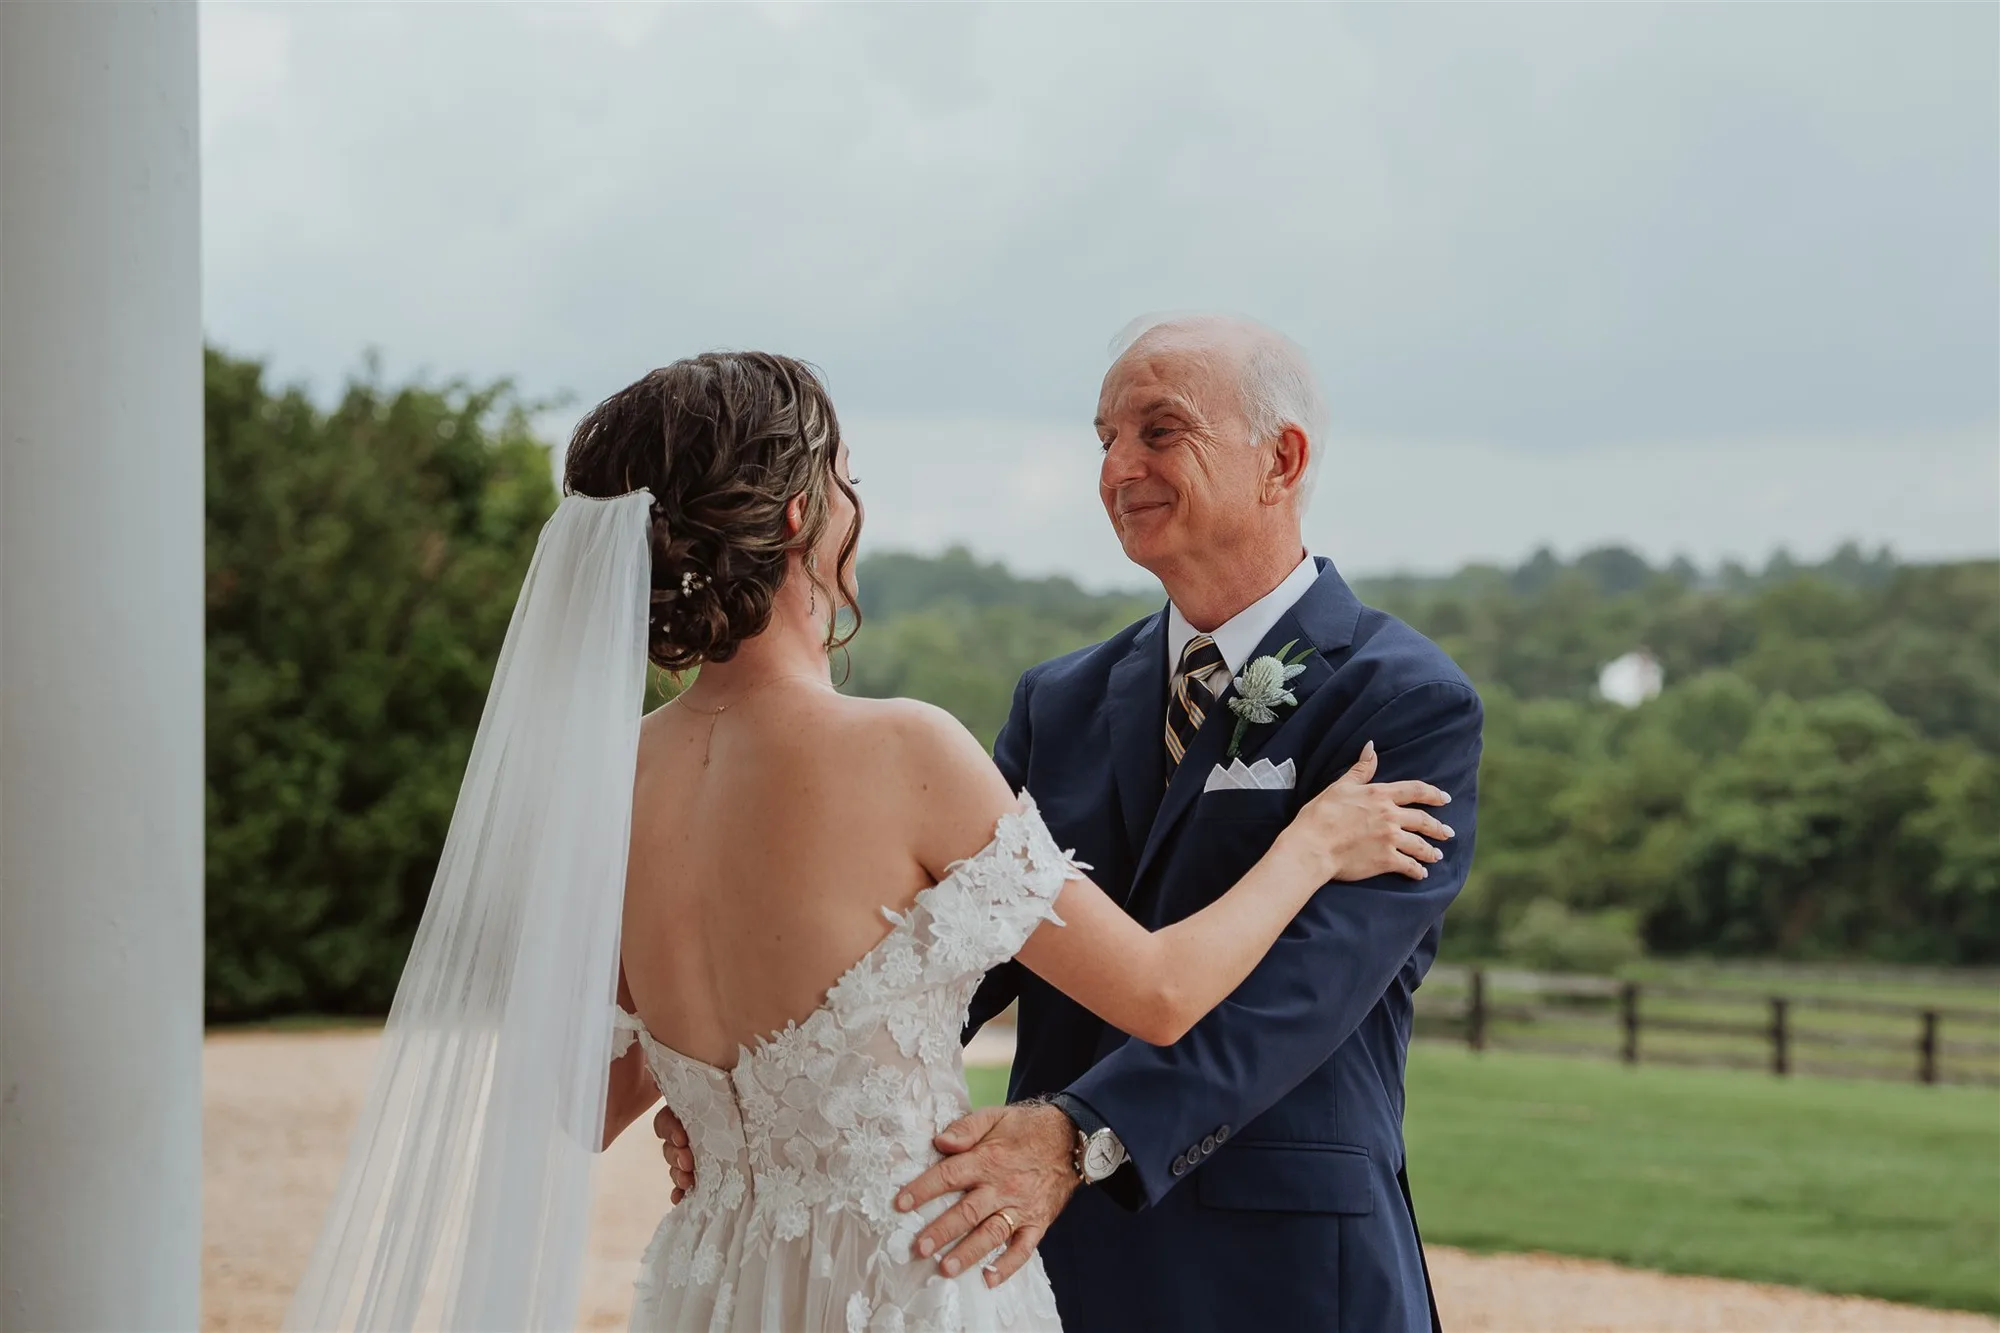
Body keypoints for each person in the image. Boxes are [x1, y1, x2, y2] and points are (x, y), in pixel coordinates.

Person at [285, 349, 1454, 1333]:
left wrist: (725, 1093)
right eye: (845, 480)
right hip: (905, 1276)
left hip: (718, 1278)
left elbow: (591, 1095)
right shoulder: (906, 746)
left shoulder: (609, 772)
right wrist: (1309, 842)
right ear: (799, 516)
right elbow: (1151, 989)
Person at [666, 317, 1484, 1333]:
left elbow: (1300, 995)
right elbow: (938, 950)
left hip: (1282, 1266)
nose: (1116, 468)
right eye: (1102, 438)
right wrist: (771, 1092)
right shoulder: (1058, 700)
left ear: (1281, 458)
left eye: (1156, 431)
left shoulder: (1404, 702)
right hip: (1056, 1257)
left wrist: (1077, 1134)